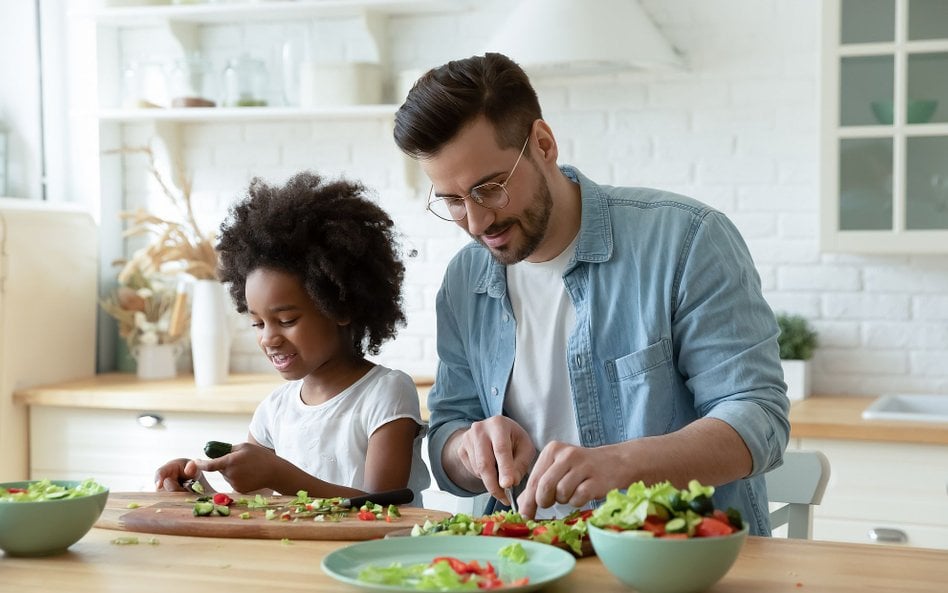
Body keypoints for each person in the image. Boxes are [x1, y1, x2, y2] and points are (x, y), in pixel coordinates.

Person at [393, 53, 790, 535]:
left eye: (490, 188)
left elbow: (758, 418)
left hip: (677, 561)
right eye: (453, 201)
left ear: (543, 144)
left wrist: (623, 464)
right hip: (530, 560)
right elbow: (448, 435)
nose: (477, 223)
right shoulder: (465, 280)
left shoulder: (686, 240)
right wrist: (468, 448)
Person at [154, 171, 430, 500]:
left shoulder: (385, 393)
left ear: (340, 307)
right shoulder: (274, 411)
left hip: (370, 552)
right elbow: (252, 506)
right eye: (258, 323)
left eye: (286, 319)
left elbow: (384, 505)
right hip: (293, 553)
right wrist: (197, 485)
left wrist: (279, 474)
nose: (269, 338)